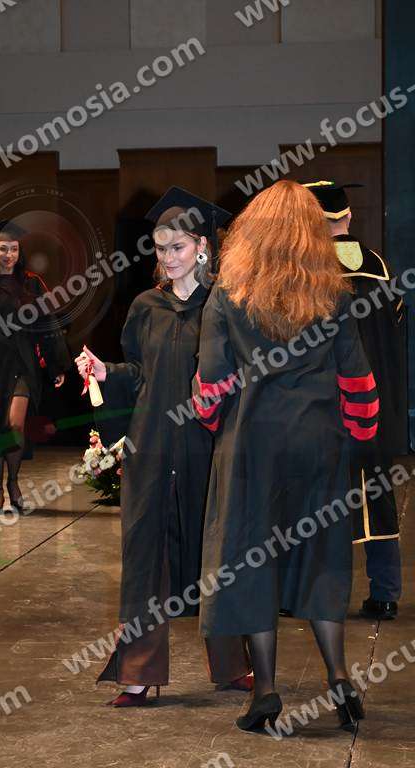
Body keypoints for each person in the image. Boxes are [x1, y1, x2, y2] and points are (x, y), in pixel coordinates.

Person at [193, 180, 377, 733]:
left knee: (252, 560)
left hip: (252, 445)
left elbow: (211, 384)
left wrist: (214, 424)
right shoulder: (333, 293)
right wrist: (358, 435)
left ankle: (266, 691)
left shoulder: (228, 294)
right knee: (323, 557)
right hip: (319, 441)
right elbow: (358, 379)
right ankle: (339, 675)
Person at [75, 188, 252, 708]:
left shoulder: (224, 305)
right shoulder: (145, 307)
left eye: (177, 247)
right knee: (144, 555)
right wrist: (107, 372)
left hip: (207, 445)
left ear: (202, 246)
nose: (167, 257)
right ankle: (138, 671)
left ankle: (232, 664)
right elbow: (140, 374)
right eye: (159, 248)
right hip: (151, 445)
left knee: (215, 552)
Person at [305, 181, 405, 620]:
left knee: (324, 502)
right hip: (376, 402)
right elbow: (396, 328)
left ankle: (323, 595)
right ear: (349, 217)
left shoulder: (308, 269)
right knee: (378, 495)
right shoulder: (378, 265)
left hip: (327, 403)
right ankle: (385, 593)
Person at [0, 224, 70, 515]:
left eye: (14, 249)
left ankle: (14, 482)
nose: (9, 254)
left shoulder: (32, 284)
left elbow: (48, 325)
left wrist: (56, 364)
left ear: (20, 252)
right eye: (3, 249)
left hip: (22, 362)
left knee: (16, 425)